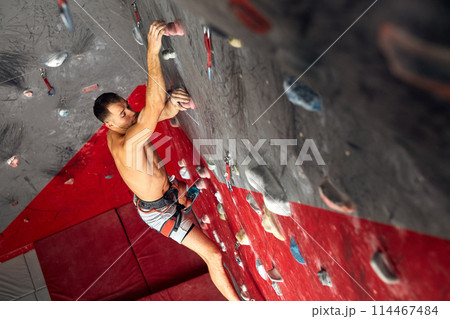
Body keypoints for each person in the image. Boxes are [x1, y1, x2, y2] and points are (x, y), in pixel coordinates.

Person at [93, 21, 240, 301]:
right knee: (213, 254)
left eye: (126, 105)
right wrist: (153, 50)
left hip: (166, 191)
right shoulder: (126, 143)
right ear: (110, 125)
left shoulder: (124, 129)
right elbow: (154, 106)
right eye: (123, 113)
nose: (130, 112)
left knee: (184, 188)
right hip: (159, 213)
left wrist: (172, 106)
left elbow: (147, 116)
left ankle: (183, 197)